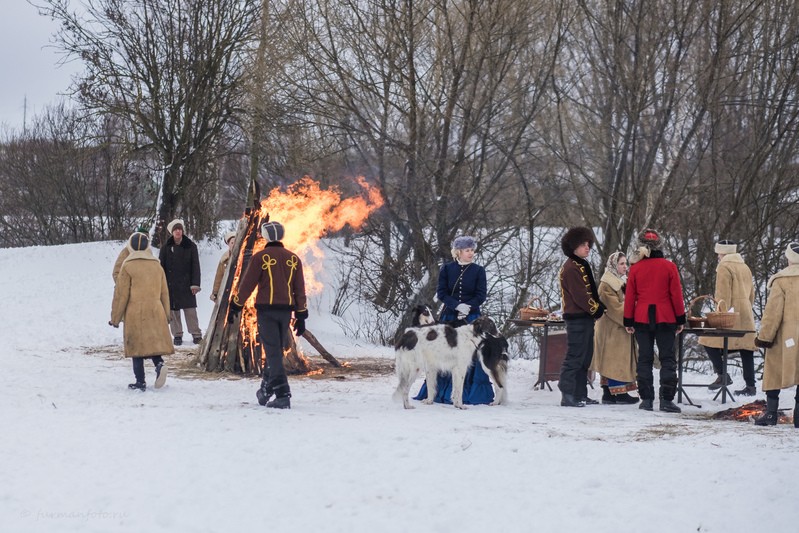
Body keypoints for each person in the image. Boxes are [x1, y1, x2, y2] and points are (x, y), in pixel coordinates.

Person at [229, 221, 308, 409]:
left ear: (265, 236)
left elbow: (247, 284)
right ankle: (265, 389)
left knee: (273, 353)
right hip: (285, 313)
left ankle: (282, 395)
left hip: (267, 311)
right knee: (276, 352)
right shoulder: (293, 258)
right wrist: (301, 315)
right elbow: (300, 290)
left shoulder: (260, 258)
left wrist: (236, 305)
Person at [414, 235, 494, 405]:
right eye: (467, 250)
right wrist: (456, 305)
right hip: (449, 316)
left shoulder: (479, 270)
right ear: (458, 252)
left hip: (472, 320)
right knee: (443, 353)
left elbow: (481, 295)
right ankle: (440, 393)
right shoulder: (447, 269)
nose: (471, 253)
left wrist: (468, 307)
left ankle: (469, 395)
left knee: (471, 356)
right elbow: (441, 293)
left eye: (472, 250)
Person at [623, 229, 685, 413]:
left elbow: (629, 297)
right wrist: (680, 318)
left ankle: (646, 400)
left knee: (644, 358)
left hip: (641, 316)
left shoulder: (635, 268)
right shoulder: (669, 267)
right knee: (667, 359)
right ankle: (666, 400)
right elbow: (676, 295)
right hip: (665, 317)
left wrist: (628, 320)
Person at [110, 232, 174, 391]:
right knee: (152, 343)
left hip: (135, 311)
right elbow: (164, 292)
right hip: (155, 309)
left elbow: (121, 294)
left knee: (136, 348)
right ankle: (159, 365)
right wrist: (166, 314)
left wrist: (115, 318)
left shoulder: (128, 265)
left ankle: (140, 381)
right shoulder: (156, 265)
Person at [698, 240, 757, 396]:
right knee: (746, 349)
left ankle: (722, 375)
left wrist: (721, 313)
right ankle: (751, 386)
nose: (717, 256)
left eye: (718, 253)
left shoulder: (724, 266)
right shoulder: (745, 267)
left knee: (706, 340)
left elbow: (723, 295)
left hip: (730, 316)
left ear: (722, 253)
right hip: (746, 314)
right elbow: (752, 294)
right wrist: (746, 308)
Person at [558, 226, 605, 407]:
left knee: (585, 357)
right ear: (573, 246)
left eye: (588, 244)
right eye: (583, 244)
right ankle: (567, 393)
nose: (587, 248)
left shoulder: (580, 265)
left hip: (585, 318)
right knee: (575, 356)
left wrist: (597, 308)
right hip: (576, 318)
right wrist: (597, 310)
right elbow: (581, 297)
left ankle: (580, 393)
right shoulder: (570, 268)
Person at [753, 242, 799, 428]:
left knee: (772, 371)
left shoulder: (781, 280)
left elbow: (773, 314)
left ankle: (771, 414)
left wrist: (764, 337)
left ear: (789, 258)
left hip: (785, 337)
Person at [591, 252, 639, 404]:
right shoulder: (607, 284)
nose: (625, 267)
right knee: (614, 360)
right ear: (613, 265)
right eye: (621, 264)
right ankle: (618, 393)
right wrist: (632, 312)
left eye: (626, 263)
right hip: (611, 328)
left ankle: (609, 394)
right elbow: (614, 308)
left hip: (617, 328)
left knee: (613, 359)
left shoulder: (621, 281)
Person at [159, 218, 202, 345]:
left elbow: (196, 266)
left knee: (190, 311)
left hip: (187, 284)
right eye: (175, 230)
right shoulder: (166, 248)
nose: (178, 232)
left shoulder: (191, 246)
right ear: (172, 232)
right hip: (171, 285)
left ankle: (196, 334)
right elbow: (161, 267)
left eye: (180, 229)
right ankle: (177, 334)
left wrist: (195, 284)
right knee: (173, 311)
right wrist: (162, 284)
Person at [211, 231, 237, 302]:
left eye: (236, 242)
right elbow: (219, 277)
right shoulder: (224, 260)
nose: (234, 244)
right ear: (228, 244)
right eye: (232, 243)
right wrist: (215, 292)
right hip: (226, 292)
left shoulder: (243, 257)